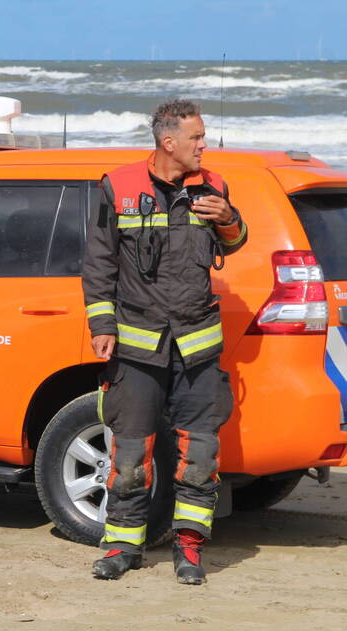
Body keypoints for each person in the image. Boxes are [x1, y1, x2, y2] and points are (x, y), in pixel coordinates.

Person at [81, 98, 247, 585]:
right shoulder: (119, 186)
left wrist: (228, 217)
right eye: (197, 138)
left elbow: (235, 242)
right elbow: (99, 262)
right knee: (130, 453)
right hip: (137, 348)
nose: (205, 145)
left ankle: (189, 549)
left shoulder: (214, 186)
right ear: (168, 142)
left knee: (199, 455)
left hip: (197, 347)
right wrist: (102, 325)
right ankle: (122, 546)